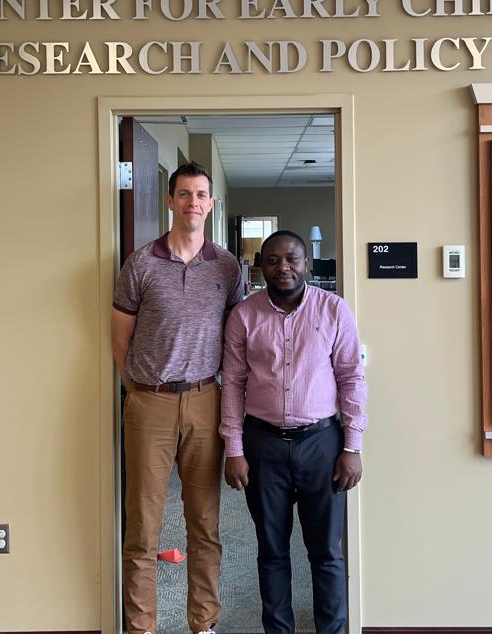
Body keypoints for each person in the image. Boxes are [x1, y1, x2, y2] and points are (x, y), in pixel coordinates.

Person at [111, 161, 244, 634]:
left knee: (205, 525)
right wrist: (138, 391)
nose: (193, 202)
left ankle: (203, 624)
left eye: (201, 194)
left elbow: (237, 339)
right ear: (170, 201)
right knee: (142, 527)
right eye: (184, 194)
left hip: (207, 400)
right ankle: (141, 627)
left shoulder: (228, 266)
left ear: (210, 203)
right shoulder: (141, 262)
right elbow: (119, 338)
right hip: (150, 403)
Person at [221, 230, 367, 634]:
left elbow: (352, 378)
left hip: (323, 443)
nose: (283, 267)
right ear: (260, 266)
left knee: (325, 553)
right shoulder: (244, 316)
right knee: (272, 550)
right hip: (262, 444)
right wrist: (234, 448)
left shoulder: (335, 311)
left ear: (308, 264)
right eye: (272, 260)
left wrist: (352, 446)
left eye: (292, 259)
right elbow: (232, 383)